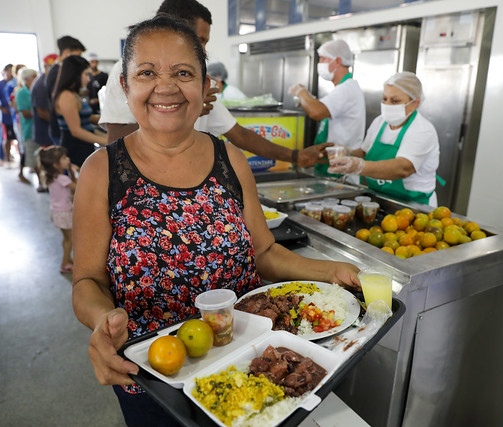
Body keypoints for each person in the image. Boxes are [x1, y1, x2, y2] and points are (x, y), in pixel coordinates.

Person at [71, 16, 360, 426]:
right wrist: (104, 319)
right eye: (147, 73)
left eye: (183, 73)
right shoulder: (102, 170)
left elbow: (265, 251)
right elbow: (87, 281)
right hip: (156, 378)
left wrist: (331, 270)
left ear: (206, 88)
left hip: (249, 364)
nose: (166, 86)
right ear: (126, 85)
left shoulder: (230, 160)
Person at [99, 0, 328, 168]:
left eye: (182, 73)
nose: (203, 50)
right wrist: (182, 114)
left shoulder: (197, 78)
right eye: (199, 40)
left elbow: (237, 133)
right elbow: (115, 141)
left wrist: (296, 156)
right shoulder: (127, 70)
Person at [328, 72, 441, 207]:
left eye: (395, 101)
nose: (387, 105)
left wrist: (358, 167)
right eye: (384, 99)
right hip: (378, 199)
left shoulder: (422, 130)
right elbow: (365, 153)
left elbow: (402, 168)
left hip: (412, 205)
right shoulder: (380, 122)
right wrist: (347, 153)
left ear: (414, 103)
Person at [288, 39, 366, 176]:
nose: (320, 64)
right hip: (332, 163)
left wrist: (301, 91)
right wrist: (305, 100)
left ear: (337, 61)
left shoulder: (347, 88)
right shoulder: (342, 88)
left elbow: (316, 112)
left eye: (324, 59)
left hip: (341, 169)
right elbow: (319, 106)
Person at [52, 55, 107, 167]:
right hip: (75, 149)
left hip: (84, 147)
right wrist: (107, 142)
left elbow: (86, 123)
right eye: (86, 74)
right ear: (74, 75)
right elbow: (76, 131)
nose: (89, 79)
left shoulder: (74, 94)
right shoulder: (66, 96)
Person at [39, 146, 78, 273]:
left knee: (66, 238)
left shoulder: (51, 177)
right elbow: (78, 187)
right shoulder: (63, 179)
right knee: (70, 239)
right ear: (56, 164)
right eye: (64, 158)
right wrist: (74, 171)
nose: (68, 159)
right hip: (64, 212)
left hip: (56, 212)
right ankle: (64, 264)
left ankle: (68, 259)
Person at [45, 36, 87, 144]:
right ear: (67, 53)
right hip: (63, 132)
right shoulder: (57, 73)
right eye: (78, 56)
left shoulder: (58, 72)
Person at [31, 54, 59, 192]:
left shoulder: (47, 82)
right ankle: (46, 185)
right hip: (45, 130)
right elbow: (42, 111)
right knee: (46, 160)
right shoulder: (42, 84)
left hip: (47, 129)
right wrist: (58, 123)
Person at [15, 68, 42, 186]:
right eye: (33, 77)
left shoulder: (35, 91)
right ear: (26, 80)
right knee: (32, 156)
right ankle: (40, 182)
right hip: (29, 130)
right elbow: (25, 113)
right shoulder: (21, 93)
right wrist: (40, 112)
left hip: (39, 129)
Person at [0, 64, 17, 166]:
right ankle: (6, 159)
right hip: (6, 117)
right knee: (6, 138)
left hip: (15, 115)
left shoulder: (15, 83)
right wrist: (3, 109)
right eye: (9, 71)